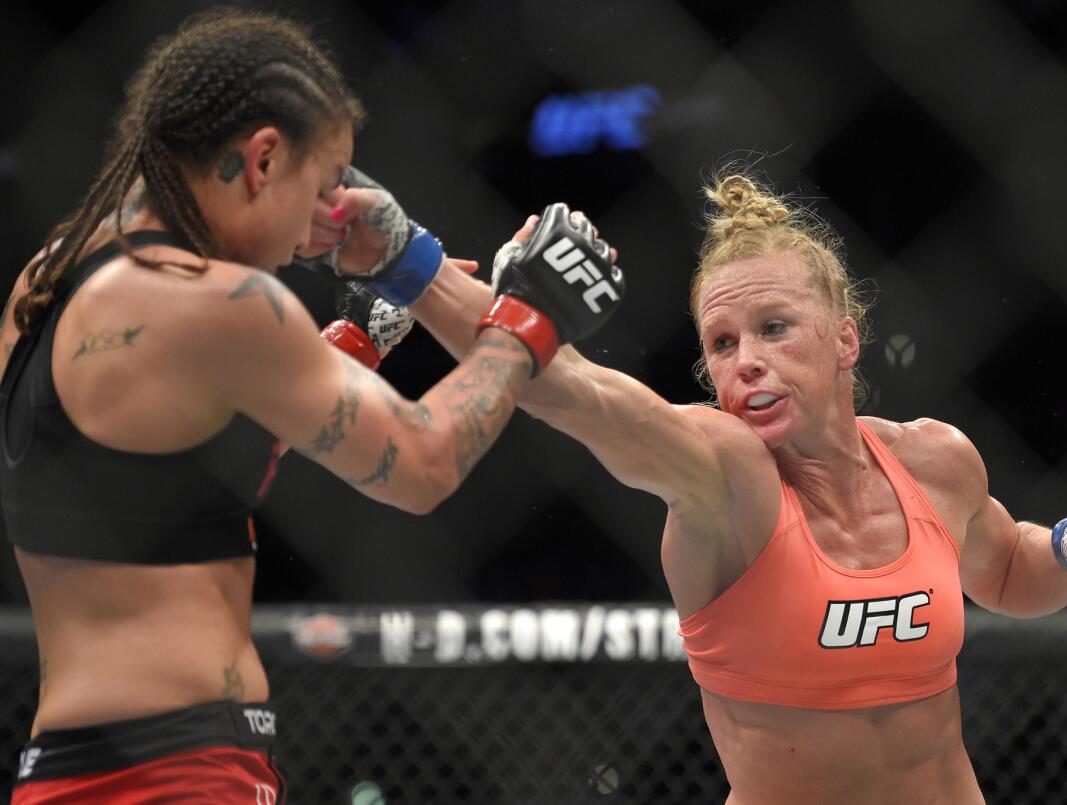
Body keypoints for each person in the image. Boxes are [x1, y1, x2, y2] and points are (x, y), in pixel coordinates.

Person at [0, 9, 621, 803]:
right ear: (261, 159)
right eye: (325, 184)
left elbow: (172, 457)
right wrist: (531, 315)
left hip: (68, 769)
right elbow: (421, 463)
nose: (318, 226)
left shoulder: (51, 279)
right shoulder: (220, 304)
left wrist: (361, 327)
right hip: (178, 774)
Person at [398, 172, 1067, 804]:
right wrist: (407, 260)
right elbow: (576, 390)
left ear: (846, 338)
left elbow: (1008, 568)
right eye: (723, 343)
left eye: (775, 327)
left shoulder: (936, 461)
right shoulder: (724, 479)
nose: (746, 360)